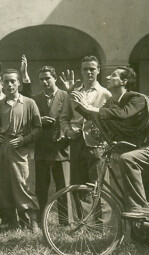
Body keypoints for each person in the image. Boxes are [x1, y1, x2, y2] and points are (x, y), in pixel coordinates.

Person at [71, 66, 149, 223]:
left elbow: (123, 115)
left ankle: (140, 210)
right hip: (143, 149)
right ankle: (143, 234)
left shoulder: (137, 99)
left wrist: (92, 109)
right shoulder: (112, 102)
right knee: (137, 194)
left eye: (114, 75)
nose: (108, 77)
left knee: (127, 159)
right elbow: (96, 117)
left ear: (124, 81)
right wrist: (78, 102)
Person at [0, 69, 42, 230]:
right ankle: (10, 220)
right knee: (3, 184)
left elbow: (38, 128)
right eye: (6, 82)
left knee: (23, 183)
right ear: (2, 84)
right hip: (1, 148)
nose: (9, 85)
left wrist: (24, 139)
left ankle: (31, 220)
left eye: (12, 81)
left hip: (20, 149)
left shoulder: (29, 103)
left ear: (19, 84)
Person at [60, 56, 112, 189]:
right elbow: (64, 117)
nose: (89, 72)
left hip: (97, 145)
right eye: (85, 69)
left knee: (99, 186)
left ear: (98, 70)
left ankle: (102, 211)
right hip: (77, 144)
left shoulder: (106, 94)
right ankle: (82, 211)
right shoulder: (73, 93)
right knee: (77, 185)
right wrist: (67, 131)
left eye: (92, 69)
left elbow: (110, 120)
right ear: (81, 71)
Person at [32, 66, 69, 222]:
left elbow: (71, 118)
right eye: (41, 79)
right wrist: (40, 120)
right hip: (42, 148)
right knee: (41, 186)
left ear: (55, 78)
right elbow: (31, 121)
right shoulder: (36, 99)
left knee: (63, 186)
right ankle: (41, 219)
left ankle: (65, 220)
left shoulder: (65, 96)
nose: (45, 82)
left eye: (47, 78)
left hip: (60, 147)